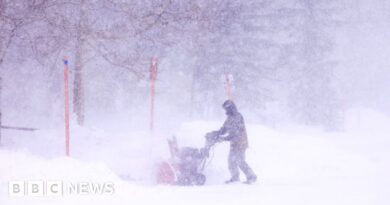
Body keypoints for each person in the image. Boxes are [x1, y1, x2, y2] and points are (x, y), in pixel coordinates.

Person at [217, 100, 257, 184]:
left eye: (226, 109)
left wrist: (224, 139)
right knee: (231, 161)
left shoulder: (238, 117)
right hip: (233, 143)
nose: (225, 111)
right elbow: (224, 128)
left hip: (241, 143)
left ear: (230, 108)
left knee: (240, 161)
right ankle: (235, 178)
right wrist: (216, 134)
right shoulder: (229, 118)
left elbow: (236, 133)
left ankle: (251, 176)